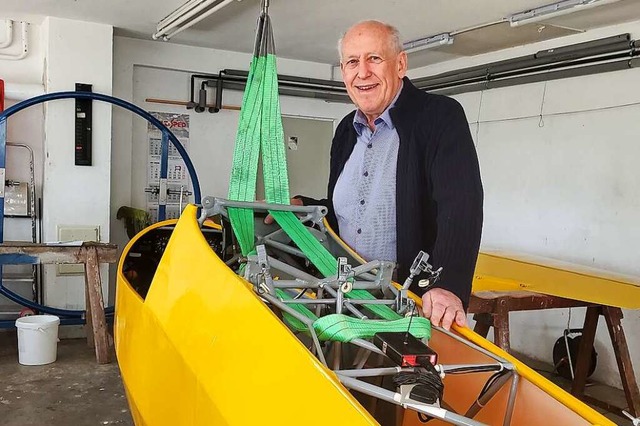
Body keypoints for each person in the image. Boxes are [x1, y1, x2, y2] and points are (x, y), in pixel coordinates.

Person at [272, 20, 483, 330]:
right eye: (352, 62)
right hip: (343, 295)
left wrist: (448, 285)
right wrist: (304, 206)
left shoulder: (439, 116)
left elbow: (461, 205)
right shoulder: (346, 130)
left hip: (403, 305)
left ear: (400, 64)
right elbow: (352, 210)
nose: (363, 72)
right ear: (343, 72)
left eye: (374, 58)